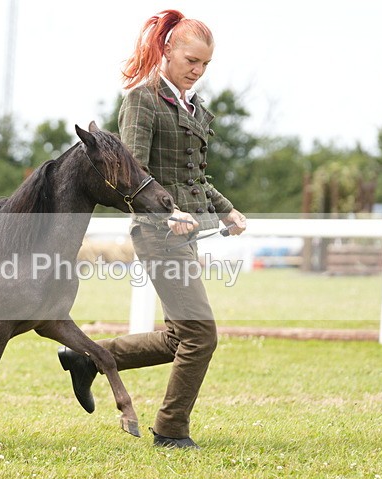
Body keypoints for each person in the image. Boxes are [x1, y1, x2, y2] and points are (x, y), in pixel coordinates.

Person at [58, 9, 247, 449]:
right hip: (159, 233)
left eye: (204, 65)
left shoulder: (195, 108)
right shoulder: (141, 100)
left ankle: (87, 358)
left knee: (178, 336)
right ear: (167, 51)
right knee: (201, 335)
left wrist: (225, 210)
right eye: (190, 61)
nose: (197, 72)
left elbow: (195, 179)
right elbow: (132, 168)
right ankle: (171, 430)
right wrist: (168, 214)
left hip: (188, 233)